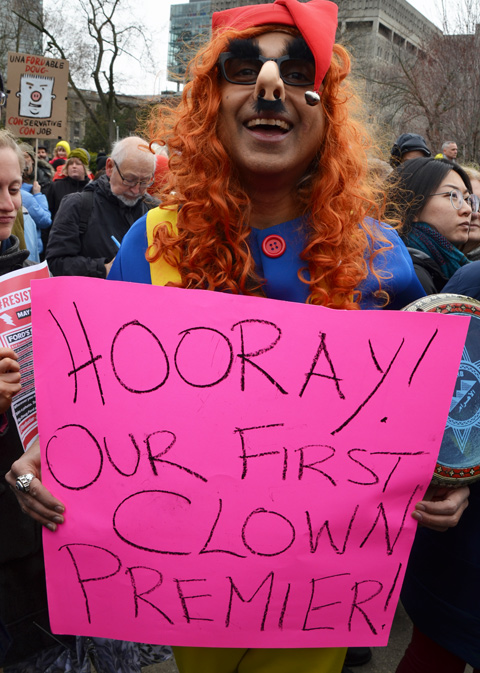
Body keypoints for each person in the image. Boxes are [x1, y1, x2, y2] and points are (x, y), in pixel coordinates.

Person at [7, 2, 470, 672]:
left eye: (297, 67)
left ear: (328, 109)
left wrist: (445, 478)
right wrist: (46, 455)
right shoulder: (154, 241)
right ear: (210, 103)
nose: (271, 84)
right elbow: (101, 406)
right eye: (243, 66)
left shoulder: (381, 259)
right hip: (187, 590)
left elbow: (418, 423)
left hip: (320, 598)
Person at [46, 135, 155, 278]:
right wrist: (102, 268)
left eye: (145, 182)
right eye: (129, 180)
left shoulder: (154, 209)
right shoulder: (77, 205)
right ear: (110, 167)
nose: (136, 190)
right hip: (90, 299)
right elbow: (56, 262)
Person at [386, 157, 477, 294]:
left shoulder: (444, 266)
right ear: (413, 206)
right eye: (451, 196)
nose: (468, 210)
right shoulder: (404, 276)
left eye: (466, 199)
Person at [46, 148, 91, 222]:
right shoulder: (56, 186)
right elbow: (49, 213)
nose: (74, 166)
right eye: (70, 164)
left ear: (85, 167)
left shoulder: (92, 187)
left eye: (78, 163)